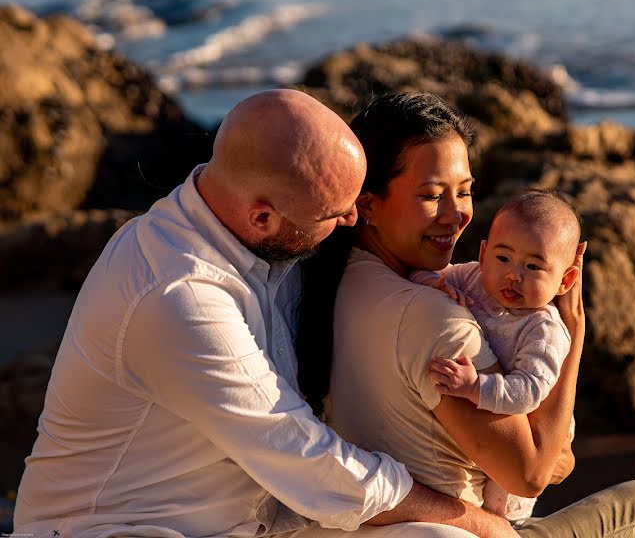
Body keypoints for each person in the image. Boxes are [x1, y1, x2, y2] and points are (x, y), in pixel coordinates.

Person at [14, 89, 517, 538]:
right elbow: (302, 453)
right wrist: (471, 519)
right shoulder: (179, 295)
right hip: (122, 529)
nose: (350, 220)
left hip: (258, 521)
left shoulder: (252, 241)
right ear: (262, 217)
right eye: (333, 214)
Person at [305, 92, 635, 537]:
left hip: (383, 523)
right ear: (369, 204)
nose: (456, 215)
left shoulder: (332, 279)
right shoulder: (437, 318)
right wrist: (573, 331)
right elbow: (531, 473)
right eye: (432, 195)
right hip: (466, 526)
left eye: (465, 191)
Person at [410, 190, 582, 526]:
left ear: (565, 280)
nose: (513, 274)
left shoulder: (544, 330)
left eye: (533, 266)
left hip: (535, 429)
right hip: (491, 419)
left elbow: (529, 391)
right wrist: (435, 284)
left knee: (499, 501)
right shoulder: (472, 277)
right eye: (504, 258)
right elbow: (419, 278)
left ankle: (508, 526)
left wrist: (476, 387)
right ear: (485, 253)